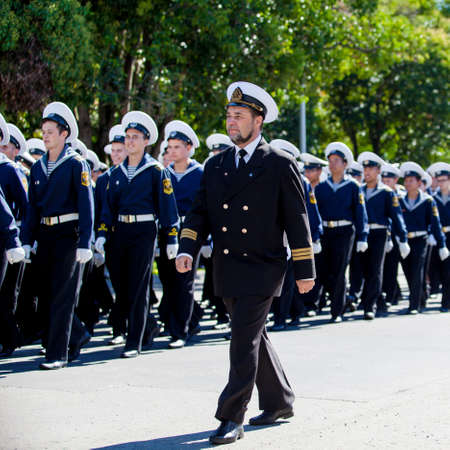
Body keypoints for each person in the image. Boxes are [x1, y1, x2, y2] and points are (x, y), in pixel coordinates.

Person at [176, 81, 315, 445]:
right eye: (229, 116)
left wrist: (305, 270)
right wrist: (187, 247)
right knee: (253, 336)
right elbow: (199, 212)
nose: (231, 122)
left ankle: (231, 416)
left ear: (259, 119)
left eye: (239, 116)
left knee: (242, 340)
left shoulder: (279, 164)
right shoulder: (217, 164)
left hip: (264, 266)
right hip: (227, 265)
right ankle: (280, 401)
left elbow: (297, 220)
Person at [95, 111, 179, 358]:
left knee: (139, 285)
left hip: (144, 231)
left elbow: (167, 206)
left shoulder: (155, 171)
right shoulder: (116, 174)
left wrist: (172, 236)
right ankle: (146, 327)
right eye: (127, 137)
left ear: (146, 142)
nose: (130, 141)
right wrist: (101, 233)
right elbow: (107, 208)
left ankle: (134, 341)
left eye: (135, 137)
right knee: (121, 285)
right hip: (120, 231)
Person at [21, 101, 94, 370]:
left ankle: (56, 354)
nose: (46, 135)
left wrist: (85, 242)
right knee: (46, 293)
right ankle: (75, 337)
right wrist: (27, 241)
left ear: (65, 134)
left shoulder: (76, 164)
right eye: (44, 130)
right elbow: (32, 208)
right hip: (46, 233)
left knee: (63, 294)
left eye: (51, 130)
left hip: (69, 234)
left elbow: (87, 205)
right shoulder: (39, 167)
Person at [159, 120, 204, 349]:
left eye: (177, 147)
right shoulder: (163, 173)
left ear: (188, 148)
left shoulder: (200, 173)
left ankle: (181, 331)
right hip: (167, 232)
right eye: (170, 148)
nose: (172, 151)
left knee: (184, 281)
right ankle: (190, 319)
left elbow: (209, 207)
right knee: (168, 281)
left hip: (190, 231)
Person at [314, 142, 368, 322]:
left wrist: (362, 236)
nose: (332, 164)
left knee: (339, 271)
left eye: (337, 160)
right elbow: (315, 213)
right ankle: (341, 300)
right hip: (326, 231)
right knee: (324, 271)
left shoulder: (353, 186)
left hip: (345, 231)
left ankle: (336, 311)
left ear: (345, 164)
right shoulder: (321, 187)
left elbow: (360, 212)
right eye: (330, 160)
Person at [355, 152, 409, 319]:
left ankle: (370, 306)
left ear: (378, 171)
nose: (367, 172)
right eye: (365, 168)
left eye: (371, 168)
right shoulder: (359, 190)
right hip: (362, 234)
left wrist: (402, 239)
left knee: (375, 270)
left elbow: (396, 216)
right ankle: (375, 300)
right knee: (361, 269)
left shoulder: (386, 192)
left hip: (379, 233)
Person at [398, 162, 448, 314]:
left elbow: (435, 223)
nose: (407, 184)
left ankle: (414, 305)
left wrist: (441, 244)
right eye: (406, 181)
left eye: (411, 180)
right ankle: (420, 299)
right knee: (408, 271)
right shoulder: (400, 200)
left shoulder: (427, 200)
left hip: (421, 240)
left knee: (417, 271)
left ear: (419, 183)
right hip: (406, 240)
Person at [427, 162, 450, 311]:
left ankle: (446, 302)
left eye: (444, 180)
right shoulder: (432, 198)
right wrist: (431, 234)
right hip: (439, 236)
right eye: (439, 180)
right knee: (441, 270)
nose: (441, 183)